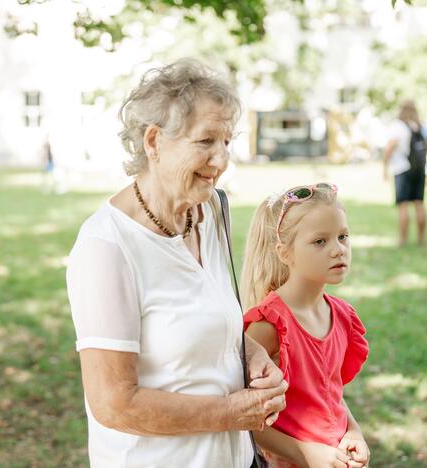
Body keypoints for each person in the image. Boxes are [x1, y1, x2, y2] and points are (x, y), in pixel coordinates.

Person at [65, 59, 287, 467]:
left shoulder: (211, 211)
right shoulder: (106, 248)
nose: (221, 161)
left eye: (227, 142)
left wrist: (251, 354)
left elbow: (206, 321)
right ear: (154, 141)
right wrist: (231, 415)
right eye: (205, 142)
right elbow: (114, 405)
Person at [241, 183, 370, 468]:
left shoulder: (342, 316)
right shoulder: (269, 324)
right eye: (320, 241)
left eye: (343, 236)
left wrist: (353, 432)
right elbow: (247, 419)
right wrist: (304, 452)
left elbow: (330, 395)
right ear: (285, 253)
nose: (338, 250)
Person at [382, 100, 427, 246]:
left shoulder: (398, 126)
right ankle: (421, 239)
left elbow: (390, 147)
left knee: (403, 206)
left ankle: (403, 240)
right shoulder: (420, 126)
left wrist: (384, 166)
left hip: (402, 169)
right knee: (419, 204)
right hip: (419, 169)